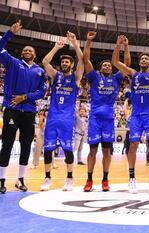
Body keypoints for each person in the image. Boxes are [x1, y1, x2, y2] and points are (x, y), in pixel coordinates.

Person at [112, 35, 149, 194]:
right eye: (142, 59)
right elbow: (115, 63)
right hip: (136, 116)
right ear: (139, 62)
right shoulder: (133, 74)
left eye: (147, 58)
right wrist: (119, 45)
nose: (144, 60)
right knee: (132, 145)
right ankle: (131, 178)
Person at [0, 20, 47, 194]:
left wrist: (25, 97)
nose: (27, 51)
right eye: (25, 50)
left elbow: (42, 92)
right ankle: (1, 180)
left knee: (26, 146)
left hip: (28, 112)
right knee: (7, 145)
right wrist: (9, 33)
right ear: (22, 53)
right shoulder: (12, 62)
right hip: (12, 110)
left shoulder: (39, 71)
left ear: (34, 54)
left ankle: (20, 180)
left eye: (30, 50)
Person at [83, 31, 130, 192]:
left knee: (106, 151)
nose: (107, 66)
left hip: (109, 120)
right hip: (95, 119)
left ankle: (105, 179)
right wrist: (88, 42)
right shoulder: (94, 78)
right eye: (104, 65)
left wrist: (124, 46)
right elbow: (85, 60)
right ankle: (89, 180)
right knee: (92, 151)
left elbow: (126, 65)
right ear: (100, 68)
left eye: (109, 65)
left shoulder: (116, 79)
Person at [40, 32, 83, 191]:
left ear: (71, 65)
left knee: (67, 149)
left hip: (67, 119)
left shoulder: (76, 78)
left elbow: (82, 61)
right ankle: (47, 178)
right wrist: (56, 48)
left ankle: (70, 178)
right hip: (52, 118)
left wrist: (75, 43)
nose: (64, 63)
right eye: (63, 61)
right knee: (48, 149)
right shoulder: (55, 76)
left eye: (67, 61)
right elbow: (45, 62)